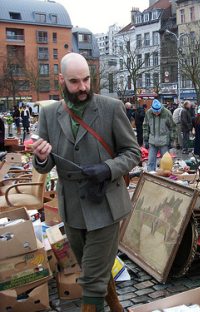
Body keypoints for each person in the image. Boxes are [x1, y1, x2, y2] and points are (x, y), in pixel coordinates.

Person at [31, 52, 141, 312]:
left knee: (91, 280)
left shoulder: (110, 108)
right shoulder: (49, 114)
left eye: (86, 80)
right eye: (74, 82)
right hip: (72, 209)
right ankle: (116, 307)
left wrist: (107, 168)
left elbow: (133, 152)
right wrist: (41, 157)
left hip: (106, 204)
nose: (82, 87)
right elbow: (44, 164)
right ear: (61, 80)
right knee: (94, 268)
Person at [143, 99, 176, 172]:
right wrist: (145, 139)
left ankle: (166, 176)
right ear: (152, 109)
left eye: (158, 111)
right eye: (155, 111)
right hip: (152, 141)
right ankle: (151, 175)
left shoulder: (167, 113)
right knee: (151, 161)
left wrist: (172, 140)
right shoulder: (148, 113)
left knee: (166, 162)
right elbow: (145, 126)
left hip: (164, 141)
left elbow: (172, 127)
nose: (157, 113)